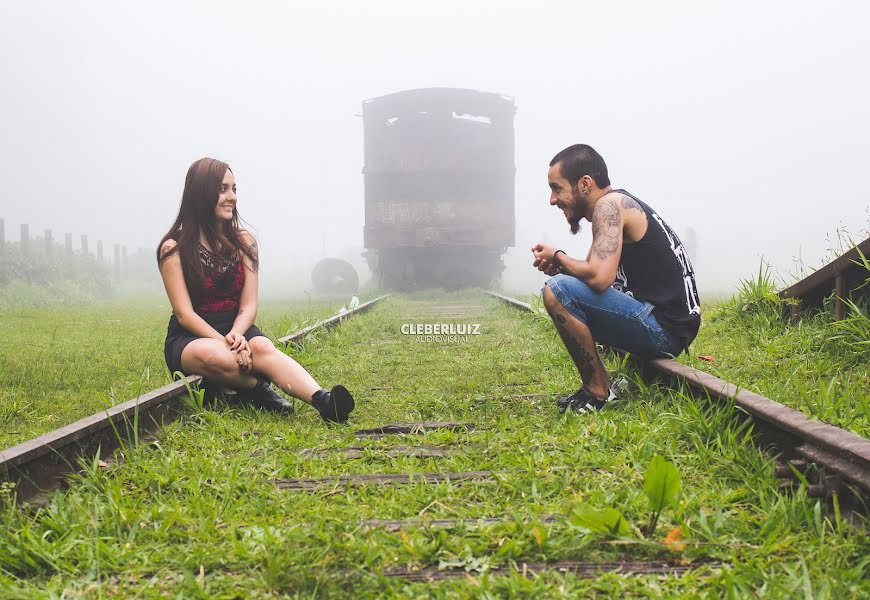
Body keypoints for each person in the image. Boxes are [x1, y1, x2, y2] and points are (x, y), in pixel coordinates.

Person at [157, 157, 355, 423]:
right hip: (192, 336)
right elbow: (184, 314)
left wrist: (238, 336)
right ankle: (257, 389)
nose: (232, 197)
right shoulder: (173, 248)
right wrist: (227, 343)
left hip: (236, 326)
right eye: (223, 189)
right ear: (201, 193)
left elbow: (249, 305)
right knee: (215, 355)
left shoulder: (244, 242)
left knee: (261, 346)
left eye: (234, 189)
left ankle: (324, 401)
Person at [531, 144, 700, 413]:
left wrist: (560, 257)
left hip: (664, 330)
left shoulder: (608, 206)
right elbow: (592, 270)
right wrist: (561, 266)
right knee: (563, 286)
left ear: (585, 183)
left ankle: (598, 391)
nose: (553, 199)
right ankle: (605, 385)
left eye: (557, 187)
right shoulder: (615, 204)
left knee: (557, 291)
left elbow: (599, 278)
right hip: (673, 325)